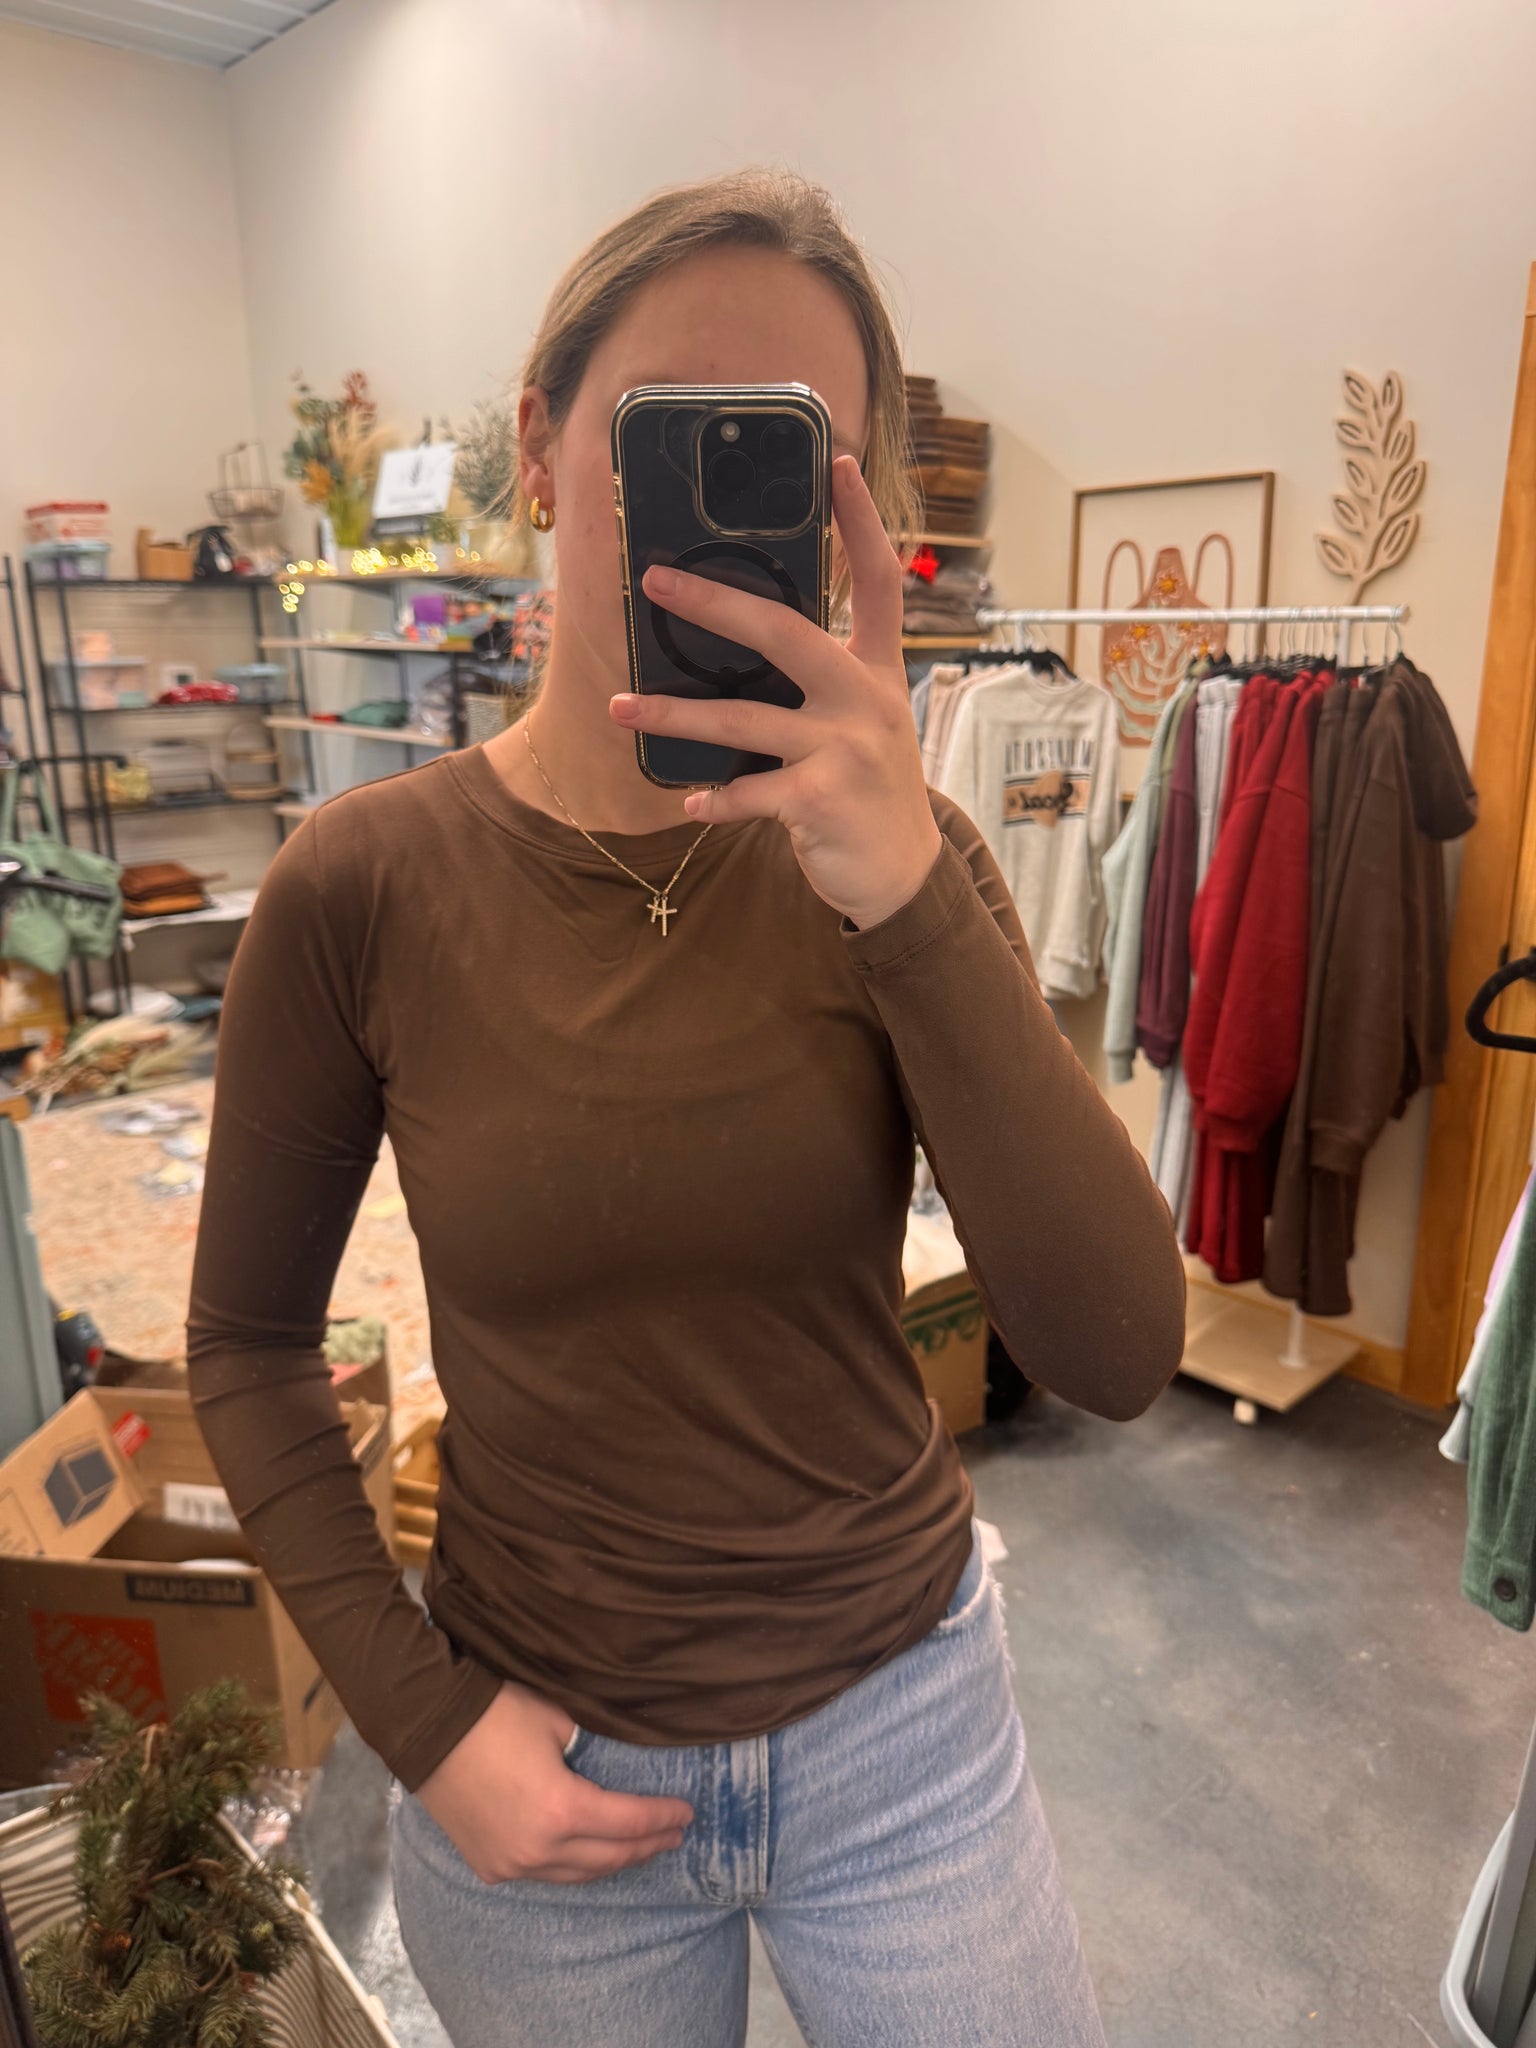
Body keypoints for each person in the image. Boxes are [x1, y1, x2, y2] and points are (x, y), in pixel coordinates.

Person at [185, 167, 1186, 2048]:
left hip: (906, 1738)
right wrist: (422, 1724)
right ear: (541, 451)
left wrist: (908, 899)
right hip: (541, 1763)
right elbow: (244, 1347)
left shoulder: (903, 859)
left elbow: (1120, 1352)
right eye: (668, 441)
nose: (718, 535)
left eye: (789, 461)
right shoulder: (363, 885)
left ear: (851, 521)